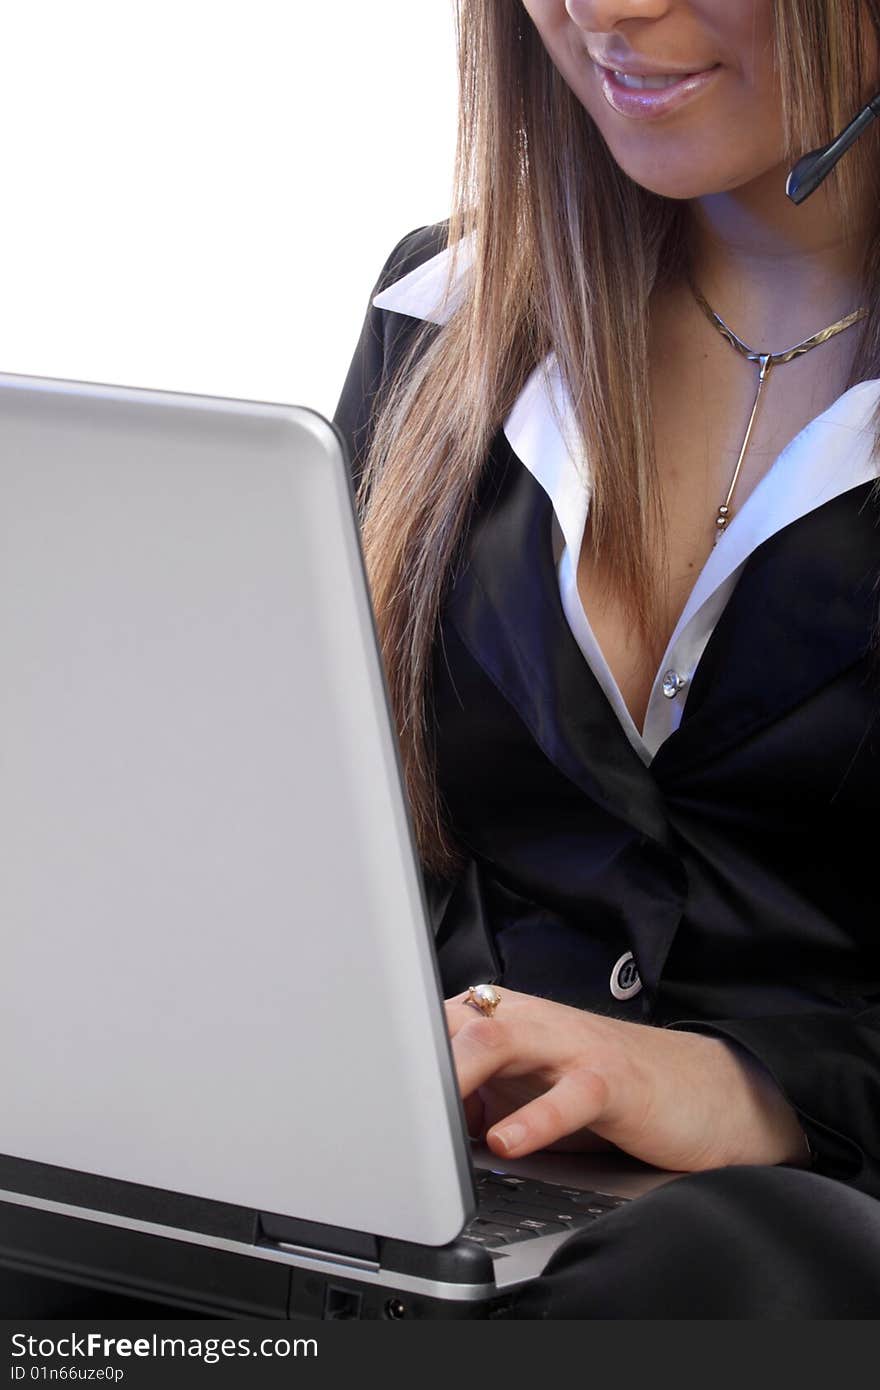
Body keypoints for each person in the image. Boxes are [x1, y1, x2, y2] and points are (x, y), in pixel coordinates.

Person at [332, 0, 880, 1317]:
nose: (610, 8)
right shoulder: (446, 322)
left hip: (786, 1264)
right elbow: (329, 871)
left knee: (746, 1267)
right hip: (456, 1225)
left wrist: (758, 1092)